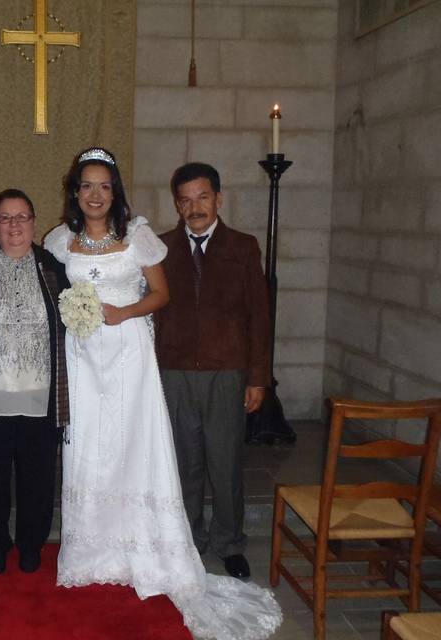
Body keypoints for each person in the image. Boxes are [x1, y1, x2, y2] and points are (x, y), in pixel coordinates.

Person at [43, 148, 281, 640]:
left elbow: (166, 296)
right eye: (87, 185)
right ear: (75, 191)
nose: (95, 194)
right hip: (85, 362)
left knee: (155, 452)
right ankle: (97, 546)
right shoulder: (60, 240)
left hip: (137, 358)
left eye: (104, 186)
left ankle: (192, 542)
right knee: (92, 451)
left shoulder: (142, 237)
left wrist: (122, 314)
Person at [156, 162, 271, 581]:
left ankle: (229, 542)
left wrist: (258, 377)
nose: (195, 207)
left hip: (227, 371)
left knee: (225, 463)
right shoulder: (161, 248)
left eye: (203, 197)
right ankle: (187, 540)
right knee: (183, 462)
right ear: (177, 204)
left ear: (218, 199)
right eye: (185, 199)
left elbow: (259, 315)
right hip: (175, 370)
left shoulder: (243, 247)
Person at [0, 189, 70, 575]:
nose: (14, 226)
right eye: (5, 218)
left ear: (34, 224)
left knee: (37, 476)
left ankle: (30, 543)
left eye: (21, 217)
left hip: (41, 394)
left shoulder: (54, 267)